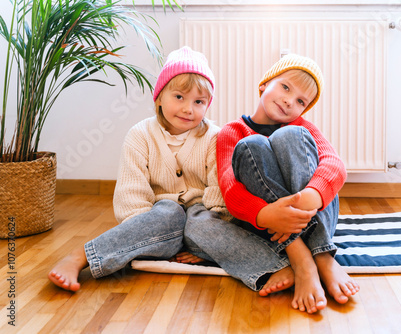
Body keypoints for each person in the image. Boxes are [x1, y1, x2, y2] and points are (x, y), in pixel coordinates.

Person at [48, 46, 228, 291]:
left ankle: (190, 246)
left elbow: (219, 190)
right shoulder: (140, 135)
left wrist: (208, 245)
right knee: (168, 212)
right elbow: (131, 193)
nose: (188, 108)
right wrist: (140, 230)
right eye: (179, 97)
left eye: (199, 102)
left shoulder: (215, 137)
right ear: (160, 97)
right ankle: (82, 257)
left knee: (202, 222)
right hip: (158, 223)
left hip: (200, 226)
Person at [215, 54, 360, 313]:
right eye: (285, 87)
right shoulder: (231, 132)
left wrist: (311, 196)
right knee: (251, 146)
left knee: (291, 135)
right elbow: (229, 188)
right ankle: (301, 257)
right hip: (271, 223)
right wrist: (265, 213)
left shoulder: (302, 127)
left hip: (313, 210)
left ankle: (322, 255)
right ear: (264, 84)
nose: (288, 100)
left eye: (300, 101)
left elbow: (334, 165)